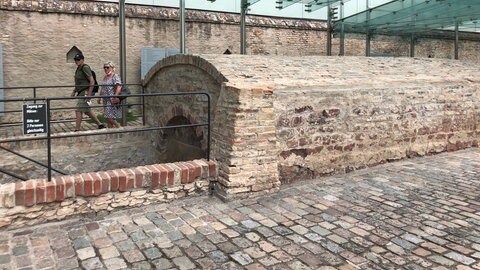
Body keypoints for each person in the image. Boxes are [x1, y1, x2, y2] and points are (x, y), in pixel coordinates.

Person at [71, 53, 105, 131]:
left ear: (82, 60)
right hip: (81, 92)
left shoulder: (85, 67)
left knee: (78, 110)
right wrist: (74, 91)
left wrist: (89, 94)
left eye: (78, 60)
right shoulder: (78, 69)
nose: (76, 61)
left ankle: (77, 129)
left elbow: (92, 81)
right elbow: (79, 82)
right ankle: (100, 124)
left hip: (86, 92)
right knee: (87, 110)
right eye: (75, 60)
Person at [97, 61, 122, 128]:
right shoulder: (105, 77)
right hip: (105, 100)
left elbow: (118, 86)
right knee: (109, 118)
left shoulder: (115, 76)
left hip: (111, 99)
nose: (105, 69)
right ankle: (111, 132)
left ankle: (119, 127)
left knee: (108, 116)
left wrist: (115, 96)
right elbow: (102, 88)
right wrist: (99, 97)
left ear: (112, 67)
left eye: (107, 67)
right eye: (104, 67)